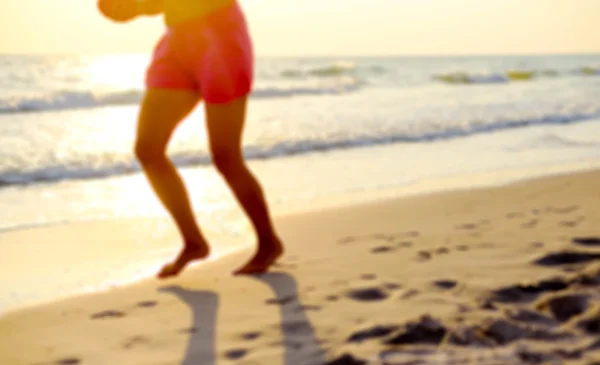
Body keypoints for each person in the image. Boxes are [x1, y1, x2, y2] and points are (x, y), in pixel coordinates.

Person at [103, 0, 283, 278]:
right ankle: (193, 242)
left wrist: (138, 6)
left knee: (225, 156)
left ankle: (268, 242)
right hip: (177, 41)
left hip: (220, 35)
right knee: (148, 150)